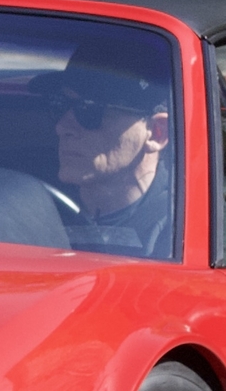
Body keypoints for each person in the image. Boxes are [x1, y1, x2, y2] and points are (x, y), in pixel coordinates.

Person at [46, 39, 175, 258]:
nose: (62, 127)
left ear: (157, 132)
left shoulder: (189, 233)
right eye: (59, 104)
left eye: (89, 110)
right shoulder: (34, 203)